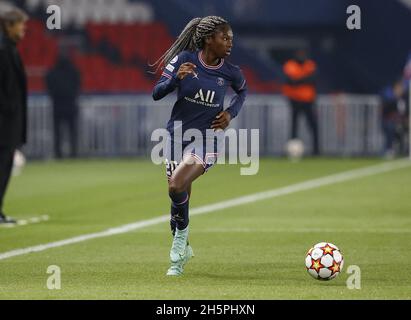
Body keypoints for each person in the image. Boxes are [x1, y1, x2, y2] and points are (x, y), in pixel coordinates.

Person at [152, 16, 247, 276]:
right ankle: (182, 255)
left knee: (176, 184)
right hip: (176, 136)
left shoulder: (230, 72)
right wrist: (175, 80)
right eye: (224, 38)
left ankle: (181, 238)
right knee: (178, 199)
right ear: (208, 39)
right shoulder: (184, 60)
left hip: (206, 138)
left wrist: (230, 113)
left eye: (231, 39)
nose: (229, 44)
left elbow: (242, 91)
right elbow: (157, 92)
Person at [0, 6, 28, 224]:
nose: (23, 29)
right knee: (2, 166)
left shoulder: (10, 48)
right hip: (4, 122)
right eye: (21, 25)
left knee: (6, 166)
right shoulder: (3, 50)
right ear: (9, 26)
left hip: (10, 122)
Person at [283, 49, 320, 155]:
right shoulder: (290, 65)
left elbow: (313, 79)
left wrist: (299, 80)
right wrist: (304, 79)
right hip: (294, 100)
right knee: (294, 125)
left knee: (313, 125)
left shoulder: (310, 65)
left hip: (308, 100)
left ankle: (316, 150)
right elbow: (291, 81)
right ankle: (292, 150)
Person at [46, 53, 81, 159]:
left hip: (58, 106)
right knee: (72, 132)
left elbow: (49, 87)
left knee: (58, 133)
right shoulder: (74, 72)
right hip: (70, 105)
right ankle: (73, 154)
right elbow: (78, 86)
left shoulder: (52, 73)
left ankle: (58, 154)